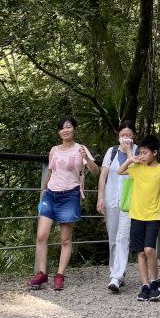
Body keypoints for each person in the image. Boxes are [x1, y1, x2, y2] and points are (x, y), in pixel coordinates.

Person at [29, 115, 100, 291]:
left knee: (66, 239)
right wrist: (43, 192)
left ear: (74, 129)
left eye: (68, 127)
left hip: (69, 196)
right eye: (62, 128)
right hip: (50, 195)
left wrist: (87, 159)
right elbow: (51, 172)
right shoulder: (54, 150)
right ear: (59, 131)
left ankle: (59, 275)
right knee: (41, 236)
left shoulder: (80, 149)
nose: (65, 130)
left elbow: (96, 171)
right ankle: (42, 273)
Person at [117, 134, 160, 302]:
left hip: (154, 214)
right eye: (140, 152)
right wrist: (131, 159)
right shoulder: (137, 167)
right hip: (136, 214)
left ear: (154, 153)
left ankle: (155, 281)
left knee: (149, 249)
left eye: (145, 153)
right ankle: (145, 285)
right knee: (140, 253)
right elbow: (120, 171)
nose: (142, 155)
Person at [97, 120, 138, 294]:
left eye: (129, 135)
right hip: (111, 199)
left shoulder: (138, 151)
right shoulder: (111, 151)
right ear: (118, 136)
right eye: (123, 135)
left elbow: (137, 170)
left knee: (123, 237)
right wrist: (100, 197)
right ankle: (115, 273)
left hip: (130, 201)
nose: (125, 138)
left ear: (133, 136)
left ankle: (117, 276)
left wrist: (128, 151)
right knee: (113, 237)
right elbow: (103, 175)